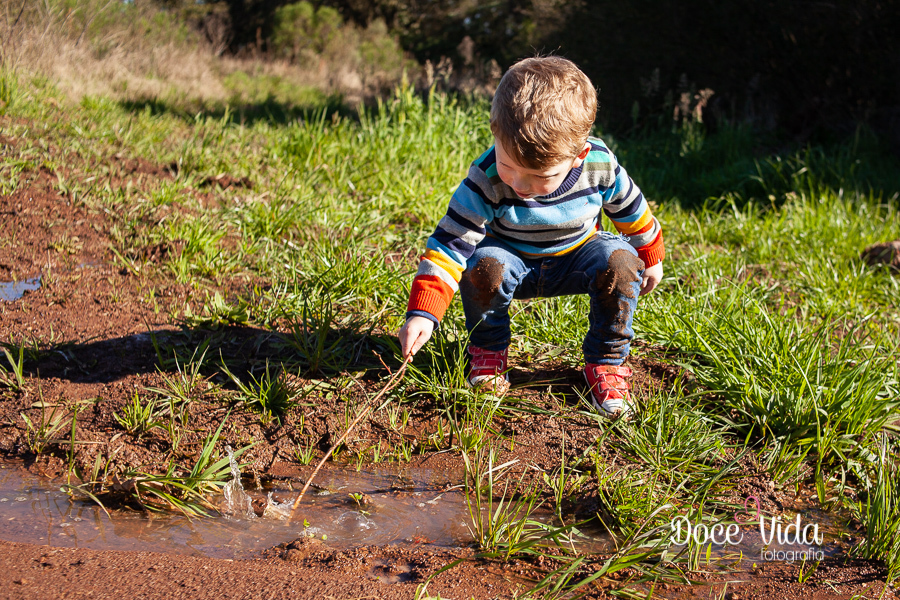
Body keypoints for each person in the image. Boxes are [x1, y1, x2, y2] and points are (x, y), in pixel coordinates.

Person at [397, 56, 664, 419]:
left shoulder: (598, 164)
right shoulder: (487, 176)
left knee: (619, 259)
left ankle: (606, 362)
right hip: (510, 259)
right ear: (495, 133)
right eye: (510, 167)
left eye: (541, 176)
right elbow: (450, 243)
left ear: (577, 157)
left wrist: (650, 253)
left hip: (578, 255)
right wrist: (424, 312)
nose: (521, 186)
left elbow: (630, 208)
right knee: (483, 264)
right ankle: (489, 352)